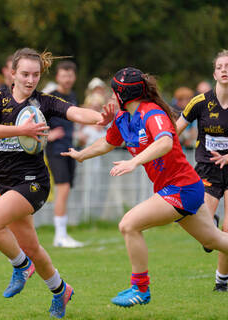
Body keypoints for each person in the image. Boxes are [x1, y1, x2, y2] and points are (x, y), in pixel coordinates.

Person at [61, 66, 228, 308]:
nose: (110, 97)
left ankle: (140, 289)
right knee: (214, 240)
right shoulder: (123, 117)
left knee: (128, 224)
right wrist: (81, 155)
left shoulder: (152, 113)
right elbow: (108, 143)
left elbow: (165, 142)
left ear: (122, 95)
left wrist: (134, 161)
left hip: (181, 187)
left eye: (113, 92)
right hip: (176, 188)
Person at [0, 48, 114, 318]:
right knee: (32, 248)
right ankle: (60, 291)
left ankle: (20, 266)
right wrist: (22, 130)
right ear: (12, 73)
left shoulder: (45, 102)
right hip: (5, 184)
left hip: (33, 184)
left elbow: (75, 112)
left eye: (36, 75)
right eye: (25, 74)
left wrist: (101, 118)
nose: (30, 80)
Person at [177, 49, 228, 291]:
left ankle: (221, 281)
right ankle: (211, 224)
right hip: (207, 170)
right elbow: (173, 132)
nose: (225, 70)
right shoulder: (200, 101)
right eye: (220, 66)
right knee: (205, 230)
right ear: (214, 72)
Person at [45, 60, 83, 248]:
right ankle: (59, 236)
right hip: (55, 150)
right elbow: (34, 118)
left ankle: (63, 235)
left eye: (70, 75)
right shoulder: (50, 98)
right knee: (63, 189)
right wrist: (47, 135)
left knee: (66, 190)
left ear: (74, 77)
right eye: (63, 75)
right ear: (57, 77)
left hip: (70, 148)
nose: (67, 79)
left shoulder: (73, 97)